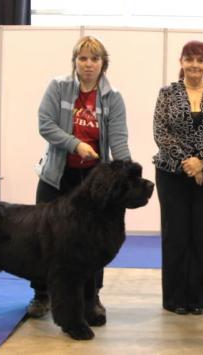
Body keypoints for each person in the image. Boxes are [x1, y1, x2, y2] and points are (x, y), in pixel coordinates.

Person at [28, 35, 132, 317]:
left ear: (103, 64)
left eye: (95, 59)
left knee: (92, 241)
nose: (88, 64)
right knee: (44, 237)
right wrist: (75, 144)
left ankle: (91, 298)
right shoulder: (58, 87)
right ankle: (41, 295)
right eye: (83, 58)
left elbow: (119, 141)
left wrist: (128, 174)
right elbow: (45, 124)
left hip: (92, 184)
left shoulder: (113, 97)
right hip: (56, 177)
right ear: (75, 61)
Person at [153, 40, 203, 315]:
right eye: (190, 59)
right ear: (181, 62)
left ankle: (199, 299)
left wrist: (202, 162)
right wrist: (188, 163)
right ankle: (175, 298)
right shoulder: (167, 93)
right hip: (171, 173)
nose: (195, 65)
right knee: (175, 235)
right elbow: (161, 132)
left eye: (200, 60)